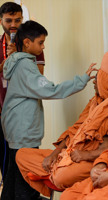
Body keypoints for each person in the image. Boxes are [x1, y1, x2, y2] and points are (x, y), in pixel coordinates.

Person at [0, 20, 97, 200]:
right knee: (25, 181)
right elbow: (50, 90)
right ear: (27, 42)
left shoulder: (15, 62)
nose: (43, 46)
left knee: (12, 176)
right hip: (23, 129)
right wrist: (81, 80)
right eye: (40, 42)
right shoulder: (26, 66)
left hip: (15, 126)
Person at [16, 51, 108, 198]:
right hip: (71, 153)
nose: (94, 82)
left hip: (93, 160)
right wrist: (55, 153)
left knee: (61, 177)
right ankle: (54, 170)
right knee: (22, 155)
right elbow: (75, 129)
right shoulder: (95, 101)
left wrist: (85, 155)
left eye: (98, 78)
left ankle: (53, 174)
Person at [0, 2, 45, 181]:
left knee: (24, 164)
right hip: (2, 109)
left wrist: (19, 55)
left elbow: (39, 78)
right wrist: (5, 64)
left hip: (24, 116)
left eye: (17, 20)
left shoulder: (32, 46)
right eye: (8, 20)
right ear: (1, 20)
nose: (13, 25)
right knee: (6, 162)